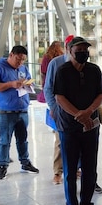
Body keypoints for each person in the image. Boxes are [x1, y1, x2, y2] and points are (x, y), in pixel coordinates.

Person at [52, 37, 102, 205]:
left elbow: (100, 94)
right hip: (69, 127)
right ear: (69, 50)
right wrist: (78, 114)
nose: (83, 52)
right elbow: (59, 97)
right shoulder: (62, 71)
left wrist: (89, 112)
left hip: (91, 126)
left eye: (86, 49)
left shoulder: (94, 70)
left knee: (90, 168)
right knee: (69, 169)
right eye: (79, 49)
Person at [0, 45, 40, 179]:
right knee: (5, 140)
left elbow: (30, 81)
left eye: (23, 60)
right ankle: (3, 165)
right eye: (18, 59)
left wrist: (29, 85)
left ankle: (25, 162)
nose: (20, 63)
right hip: (6, 111)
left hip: (22, 109)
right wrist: (11, 84)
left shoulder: (23, 68)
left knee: (22, 139)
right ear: (11, 55)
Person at [40, 41, 66, 184]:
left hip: (71, 109)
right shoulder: (55, 62)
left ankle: (72, 169)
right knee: (60, 139)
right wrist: (54, 108)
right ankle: (58, 172)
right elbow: (48, 86)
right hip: (59, 107)